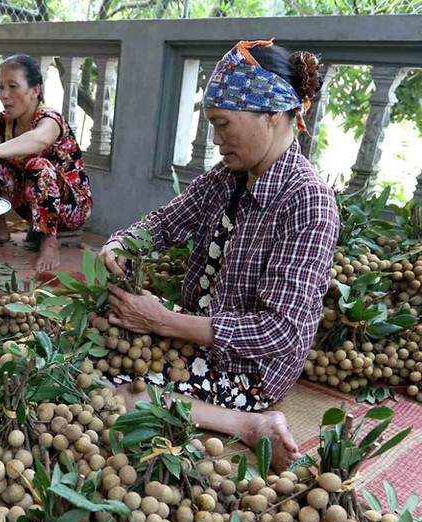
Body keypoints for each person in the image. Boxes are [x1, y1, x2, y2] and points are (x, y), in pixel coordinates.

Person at [96, 40, 340, 472]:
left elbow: (280, 332)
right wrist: (121, 243)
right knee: (87, 355)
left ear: (271, 114)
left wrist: (163, 322)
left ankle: (248, 423)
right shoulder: (228, 176)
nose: (215, 137)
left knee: (111, 393)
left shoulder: (309, 202)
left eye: (223, 123)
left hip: (250, 368)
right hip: (198, 334)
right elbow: (168, 221)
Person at [0, 54, 92, 272]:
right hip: (32, 203)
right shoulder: (3, 121)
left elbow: (39, 139)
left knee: (37, 166)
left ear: (35, 91)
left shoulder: (50, 119)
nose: (5, 95)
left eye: (13, 86)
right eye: (1, 87)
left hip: (71, 208)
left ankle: (49, 242)